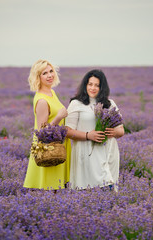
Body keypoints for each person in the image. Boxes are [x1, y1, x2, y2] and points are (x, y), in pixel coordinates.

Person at [65, 69, 124, 191]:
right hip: (86, 153)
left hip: (108, 152)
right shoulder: (76, 103)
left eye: (97, 85)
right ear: (85, 85)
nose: (93, 88)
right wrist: (88, 135)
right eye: (90, 84)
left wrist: (114, 132)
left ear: (102, 87)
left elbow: (121, 130)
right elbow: (67, 131)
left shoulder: (110, 104)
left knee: (109, 190)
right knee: (89, 190)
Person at [23, 59, 71, 190]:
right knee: (50, 187)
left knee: (56, 187)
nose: (50, 75)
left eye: (51, 71)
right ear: (38, 77)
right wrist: (59, 117)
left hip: (57, 145)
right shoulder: (42, 100)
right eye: (44, 73)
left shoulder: (51, 93)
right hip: (48, 149)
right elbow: (42, 132)